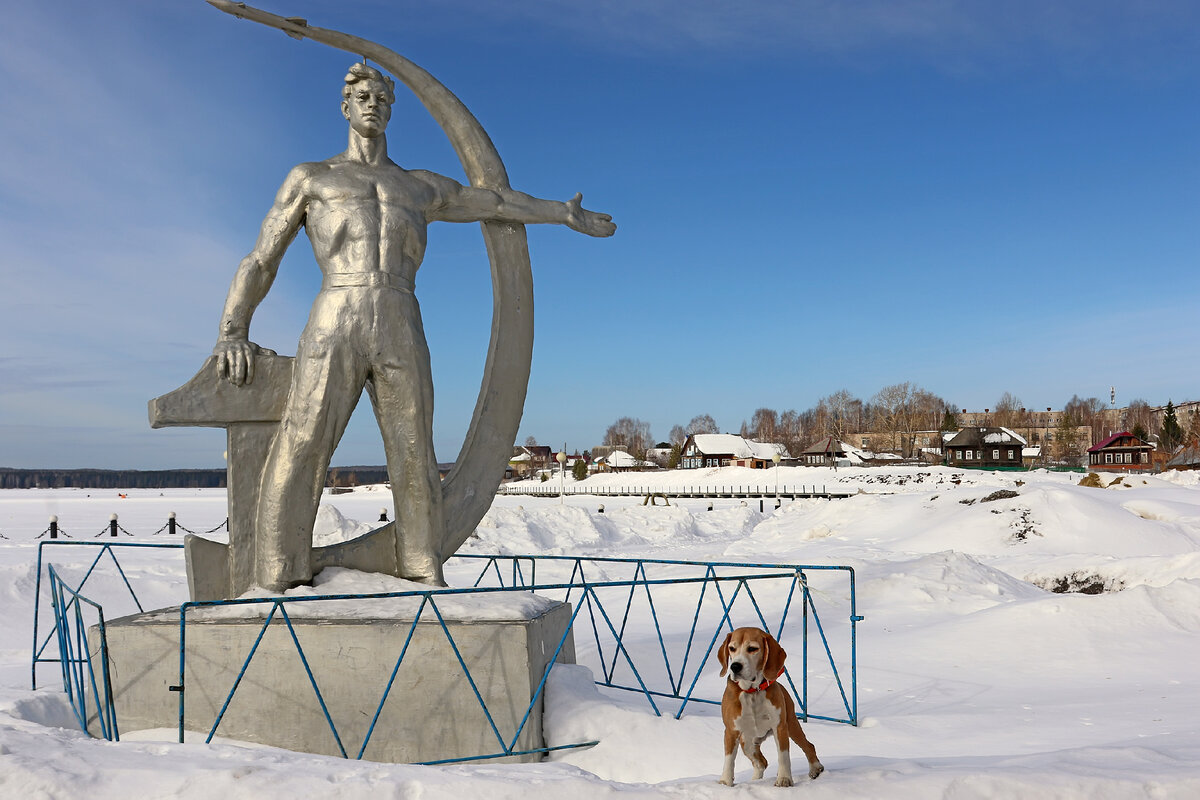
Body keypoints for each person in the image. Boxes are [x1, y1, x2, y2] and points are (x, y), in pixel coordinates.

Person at [213, 63, 614, 592]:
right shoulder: (312, 178)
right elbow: (262, 258)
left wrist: (560, 212)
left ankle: (423, 570)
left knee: (413, 448)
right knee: (305, 439)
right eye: (361, 95)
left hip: (400, 314)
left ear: (391, 108)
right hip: (337, 311)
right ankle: (276, 576)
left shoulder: (416, 187)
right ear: (345, 105)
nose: (371, 103)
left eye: (381, 95)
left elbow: (492, 201)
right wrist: (232, 327)